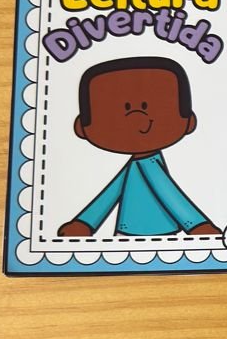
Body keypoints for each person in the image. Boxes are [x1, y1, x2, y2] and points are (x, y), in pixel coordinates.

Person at [57, 57, 218, 237]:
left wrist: (196, 225)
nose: (135, 118)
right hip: (128, 233)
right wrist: (84, 223)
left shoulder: (148, 165)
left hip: (156, 234)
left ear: (189, 121)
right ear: (81, 127)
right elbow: (111, 194)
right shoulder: (138, 165)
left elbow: (169, 194)